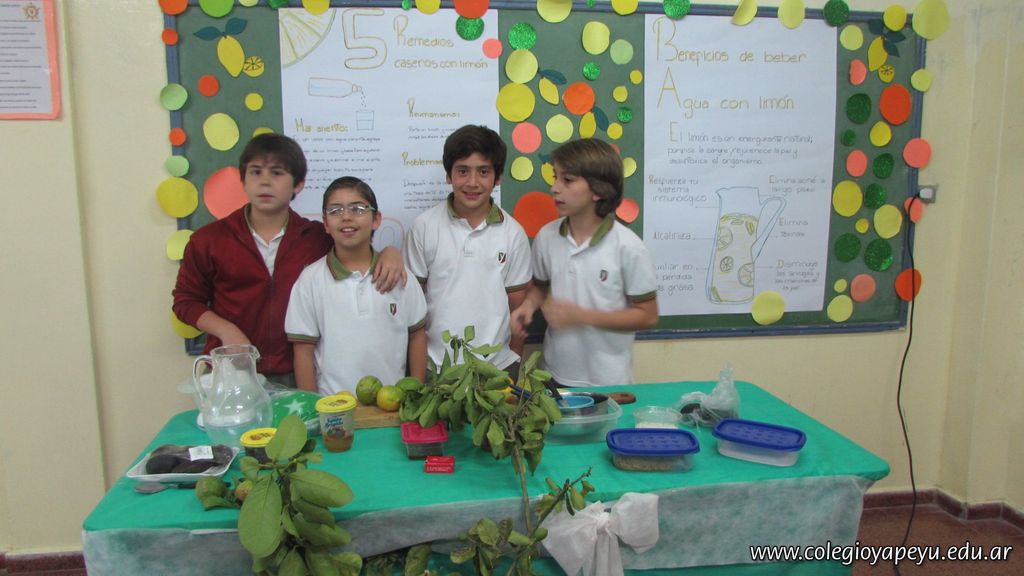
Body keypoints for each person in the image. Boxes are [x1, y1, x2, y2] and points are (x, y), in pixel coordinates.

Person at [172, 133, 405, 386]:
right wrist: (225, 329)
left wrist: (390, 252)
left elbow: (356, 252)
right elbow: (186, 301)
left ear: (298, 184)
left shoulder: (316, 237)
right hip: (231, 370)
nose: (264, 182)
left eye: (276, 173)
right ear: (243, 180)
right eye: (255, 172)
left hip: (298, 371)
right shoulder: (209, 240)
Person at [510, 138, 658, 387]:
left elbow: (648, 317)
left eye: (567, 180)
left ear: (598, 190)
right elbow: (540, 288)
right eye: (555, 177)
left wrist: (582, 316)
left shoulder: (628, 247)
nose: (555, 188)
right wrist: (528, 306)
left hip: (608, 382)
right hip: (553, 375)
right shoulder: (547, 236)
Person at [403, 125, 531, 376]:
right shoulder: (424, 227)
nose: (472, 182)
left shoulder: (513, 233)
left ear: (497, 177)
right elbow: (412, 307)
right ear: (449, 175)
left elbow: (517, 308)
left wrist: (514, 362)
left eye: (483, 171)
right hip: (435, 368)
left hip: (497, 369)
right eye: (463, 171)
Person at [285, 177, 427, 395]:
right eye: (335, 211)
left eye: (358, 209)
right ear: (325, 223)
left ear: (376, 219)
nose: (346, 217)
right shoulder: (310, 281)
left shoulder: (400, 276)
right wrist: (313, 407)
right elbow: (303, 352)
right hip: (333, 406)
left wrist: (416, 396)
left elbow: (417, 336)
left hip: (391, 405)